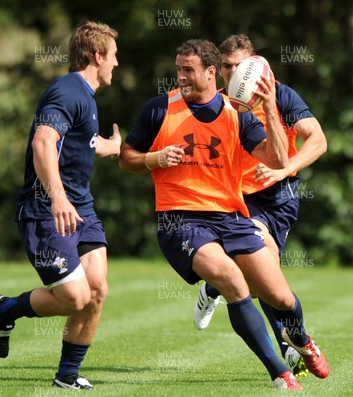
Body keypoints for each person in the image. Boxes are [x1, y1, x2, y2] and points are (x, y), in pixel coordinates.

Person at [119, 38, 328, 391]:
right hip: (180, 219)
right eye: (178, 69)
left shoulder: (238, 113)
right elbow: (127, 158)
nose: (181, 77)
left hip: (231, 216)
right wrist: (154, 159)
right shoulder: (159, 109)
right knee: (233, 280)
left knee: (280, 297)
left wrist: (271, 106)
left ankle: (302, 341)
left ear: (209, 72)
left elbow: (277, 160)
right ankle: (281, 373)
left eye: (188, 70)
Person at [0, 21, 120, 390]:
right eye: (114, 56)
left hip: (83, 210)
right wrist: (58, 197)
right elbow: (43, 142)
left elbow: (86, 145)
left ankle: (67, 376)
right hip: (46, 210)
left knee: (97, 291)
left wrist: (116, 146)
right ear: (97, 56)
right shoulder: (67, 90)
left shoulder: (86, 98)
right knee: (75, 297)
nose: (117, 64)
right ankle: (6, 309)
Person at [193, 34, 328, 378]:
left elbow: (319, 139)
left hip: (279, 198)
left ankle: (213, 286)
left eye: (239, 65)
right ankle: (288, 350)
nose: (232, 72)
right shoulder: (218, 103)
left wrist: (286, 168)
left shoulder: (281, 95)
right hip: (239, 198)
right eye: (226, 66)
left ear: (255, 65)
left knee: (265, 281)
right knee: (263, 269)